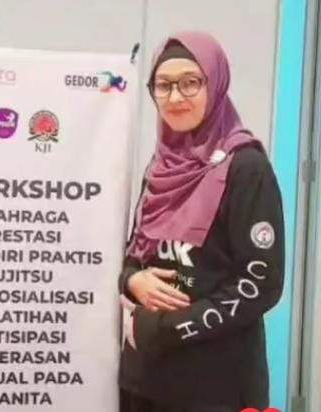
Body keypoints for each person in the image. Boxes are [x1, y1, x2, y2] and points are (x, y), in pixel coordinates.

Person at [118, 31, 284, 412]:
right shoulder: (159, 168)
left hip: (214, 385)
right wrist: (131, 280)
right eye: (163, 85)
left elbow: (261, 284)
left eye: (190, 82)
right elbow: (133, 256)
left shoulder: (247, 168)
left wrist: (165, 328)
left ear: (216, 84)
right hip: (145, 377)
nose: (175, 97)